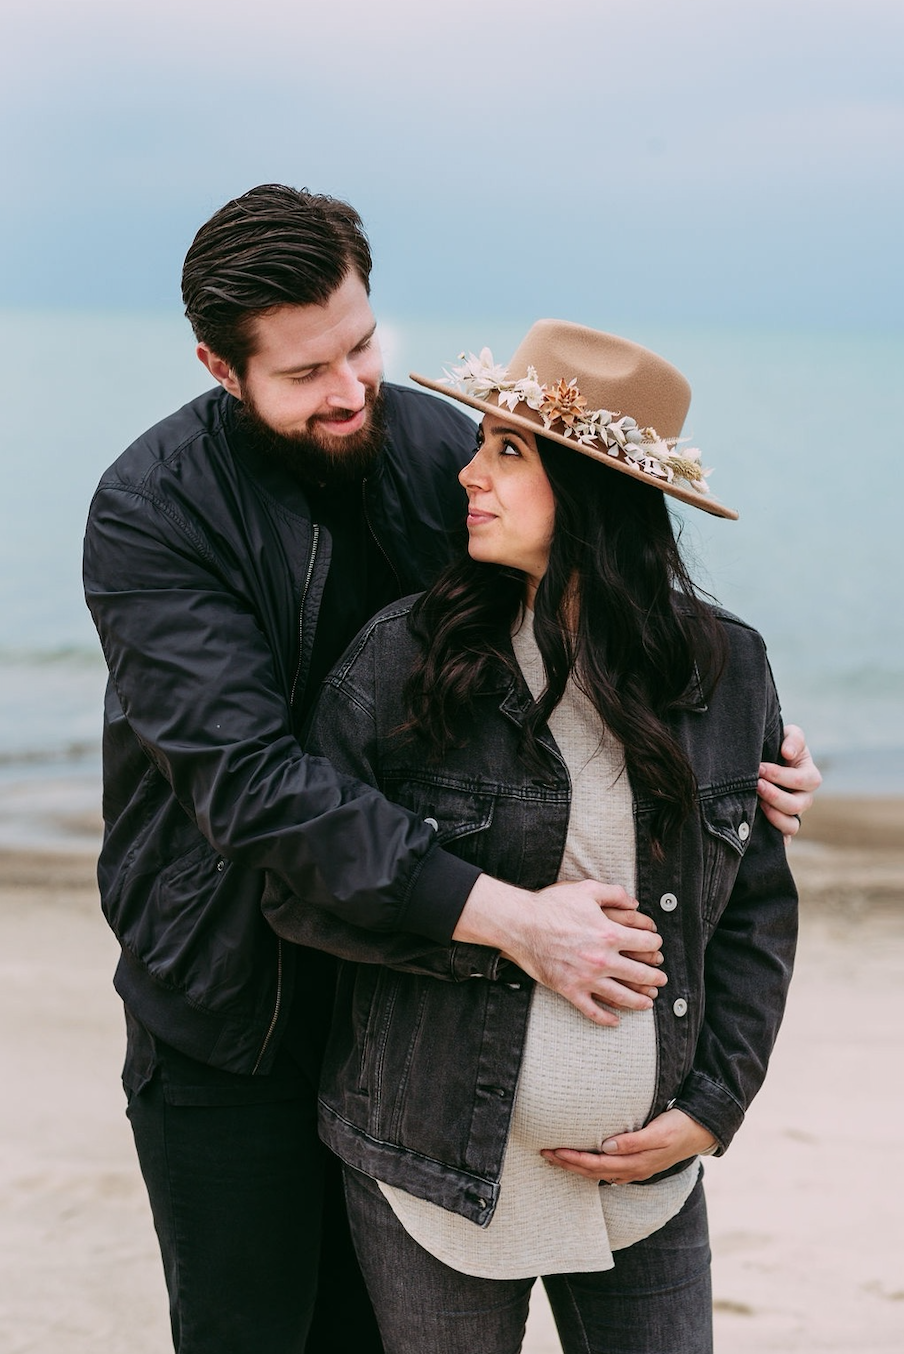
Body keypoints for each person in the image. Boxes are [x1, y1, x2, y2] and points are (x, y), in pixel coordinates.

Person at [82, 184, 819, 1354]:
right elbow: (255, 787)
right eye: (303, 374)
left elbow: (594, 593)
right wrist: (522, 921)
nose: (351, 388)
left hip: (429, 1007)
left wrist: (742, 750)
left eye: (363, 343)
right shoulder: (151, 511)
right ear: (223, 371)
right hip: (241, 998)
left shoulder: (436, 449)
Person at [263, 321, 801, 1354]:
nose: (468, 474)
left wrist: (712, 1108)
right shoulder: (403, 662)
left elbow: (756, 914)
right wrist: (495, 930)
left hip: (649, 1186)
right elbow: (303, 887)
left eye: (507, 451)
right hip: (431, 1175)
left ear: (592, 491)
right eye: (478, 443)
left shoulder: (724, 668)